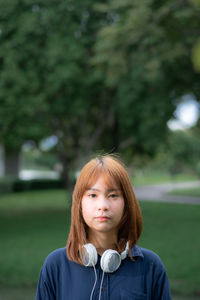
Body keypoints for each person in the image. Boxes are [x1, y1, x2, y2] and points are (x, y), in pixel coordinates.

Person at [35, 155, 171, 300]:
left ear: (126, 203)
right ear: (79, 203)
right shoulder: (56, 265)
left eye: (113, 195)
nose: (103, 206)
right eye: (93, 195)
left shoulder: (150, 266)